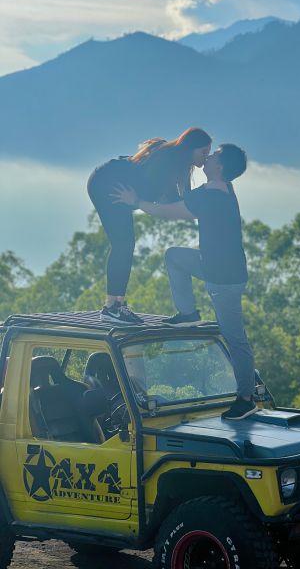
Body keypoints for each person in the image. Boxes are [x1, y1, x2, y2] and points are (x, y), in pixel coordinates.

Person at [111, 144, 257, 420]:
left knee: (235, 338)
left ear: (221, 166)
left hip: (224, 278)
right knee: (175, 256)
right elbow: (186, 198)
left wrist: (135, 203)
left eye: (214, 156)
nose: (210, 156)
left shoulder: (213, 194)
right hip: (212, 265)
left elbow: (171, 212)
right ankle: (188, 312)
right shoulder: (220, 189)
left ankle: (245, 399)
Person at [87, 127, 212, 325]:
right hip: (108, 183)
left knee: (125, 243)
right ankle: (112, 307)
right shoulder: (168, 160)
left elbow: (175, 201)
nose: (207, 157)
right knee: (124, 244)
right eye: (204, 152)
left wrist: (204, 204)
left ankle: (116, 306)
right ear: (191, 149)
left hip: (118, 186)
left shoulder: (180, 164)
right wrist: (138, 201)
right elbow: (167, 200)